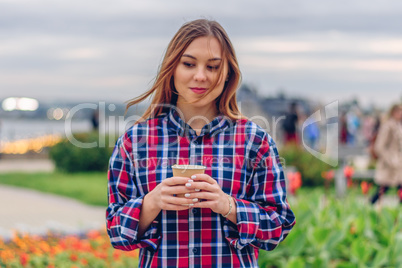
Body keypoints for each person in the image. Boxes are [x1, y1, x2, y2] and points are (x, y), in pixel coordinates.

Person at [106, 19, 295, 267]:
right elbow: (116, 233)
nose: (200, 76)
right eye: (189, 64)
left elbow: (278, 227)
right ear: (172, 67)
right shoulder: (134, 142)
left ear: (228, 73)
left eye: (213, 67)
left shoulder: (254, 141)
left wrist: (228, 205)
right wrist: (151, 203)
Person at [370, 104, 402, 204]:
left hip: (397, 163)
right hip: (389, 164)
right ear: (393, 112)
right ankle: (369, 206)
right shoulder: (387, 126)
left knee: (399, 188)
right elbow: (379, 146)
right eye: (399, 111)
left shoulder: (398, 125)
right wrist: (390, 159)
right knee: (383, 188)